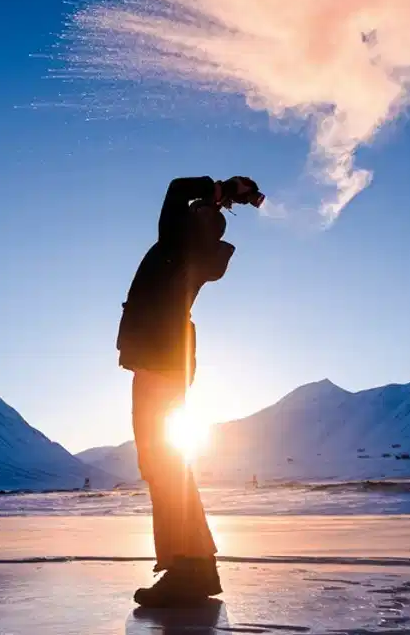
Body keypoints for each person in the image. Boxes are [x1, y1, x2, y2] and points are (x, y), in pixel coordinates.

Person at [117, 174, 262, 608]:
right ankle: (196, 566)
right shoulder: (196, 254)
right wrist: (221, 200)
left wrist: (217, 189)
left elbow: (176, 188)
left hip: (160, 365)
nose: (195, 206)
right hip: (168, 363)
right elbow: (187, 203)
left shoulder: (176, 246)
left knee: (163, 466)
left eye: (198, 209)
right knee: (168, 466)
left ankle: (185, 569)